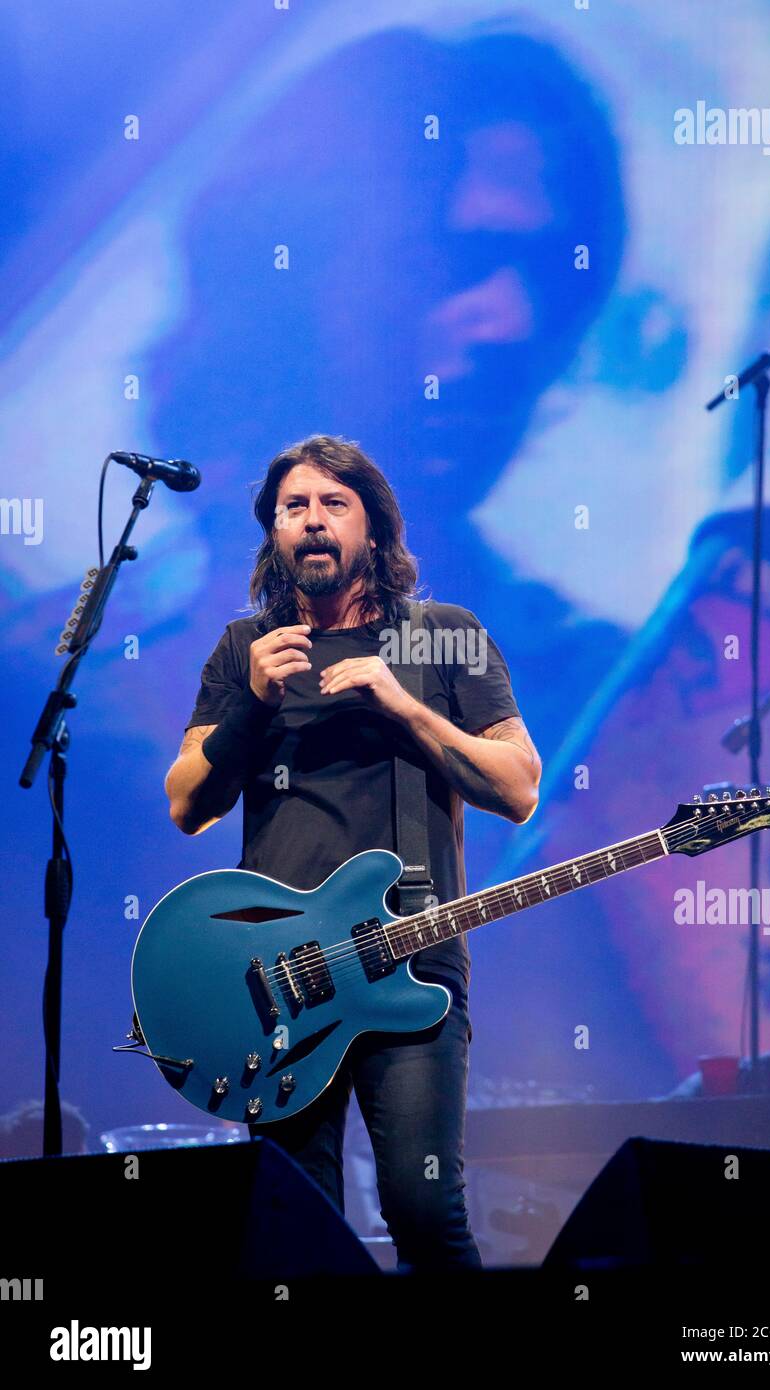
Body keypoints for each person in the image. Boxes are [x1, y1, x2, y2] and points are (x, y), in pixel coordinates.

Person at [164, 434, 541, 1271]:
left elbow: (519, 787)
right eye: (294, 507)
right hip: (273, 978)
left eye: (335, 504)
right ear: (274, 534)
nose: (314, 521)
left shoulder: (445, 637)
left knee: (422, 1209)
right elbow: (186, 800)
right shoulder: (244, 651)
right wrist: (253, 706)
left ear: (373, 529)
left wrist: (405, 706)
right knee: (297, 1232)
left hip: (409, 959)